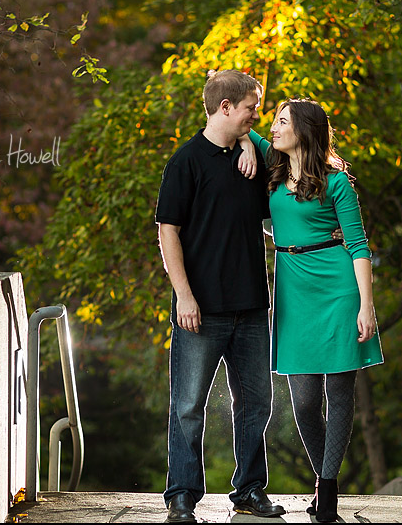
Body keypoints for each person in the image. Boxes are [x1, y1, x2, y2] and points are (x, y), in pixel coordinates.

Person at [238, 97, 384, 523]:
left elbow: (358, 246)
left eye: (282, 121)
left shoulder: (337, 182)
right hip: (293, 290)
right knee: (303, 402)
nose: (274, 127)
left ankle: (328, 493)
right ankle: (323, 481)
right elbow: (241, 126)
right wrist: (247, 141)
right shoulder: (274, 165)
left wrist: (366, 307)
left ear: (304, 130)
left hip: (338, 289)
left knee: (338, 396)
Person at [155, 70, 286, 523]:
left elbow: (291, 170)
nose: (257, 115)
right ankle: (182, 496)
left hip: (251, 306)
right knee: (189, 406)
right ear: (226, 107)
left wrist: (250, 144)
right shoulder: (186, 161)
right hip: (201, 310)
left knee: (257, 403)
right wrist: (184, 297)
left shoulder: (252, 158)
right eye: (251, 107)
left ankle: (249, 491)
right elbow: (167, 231)